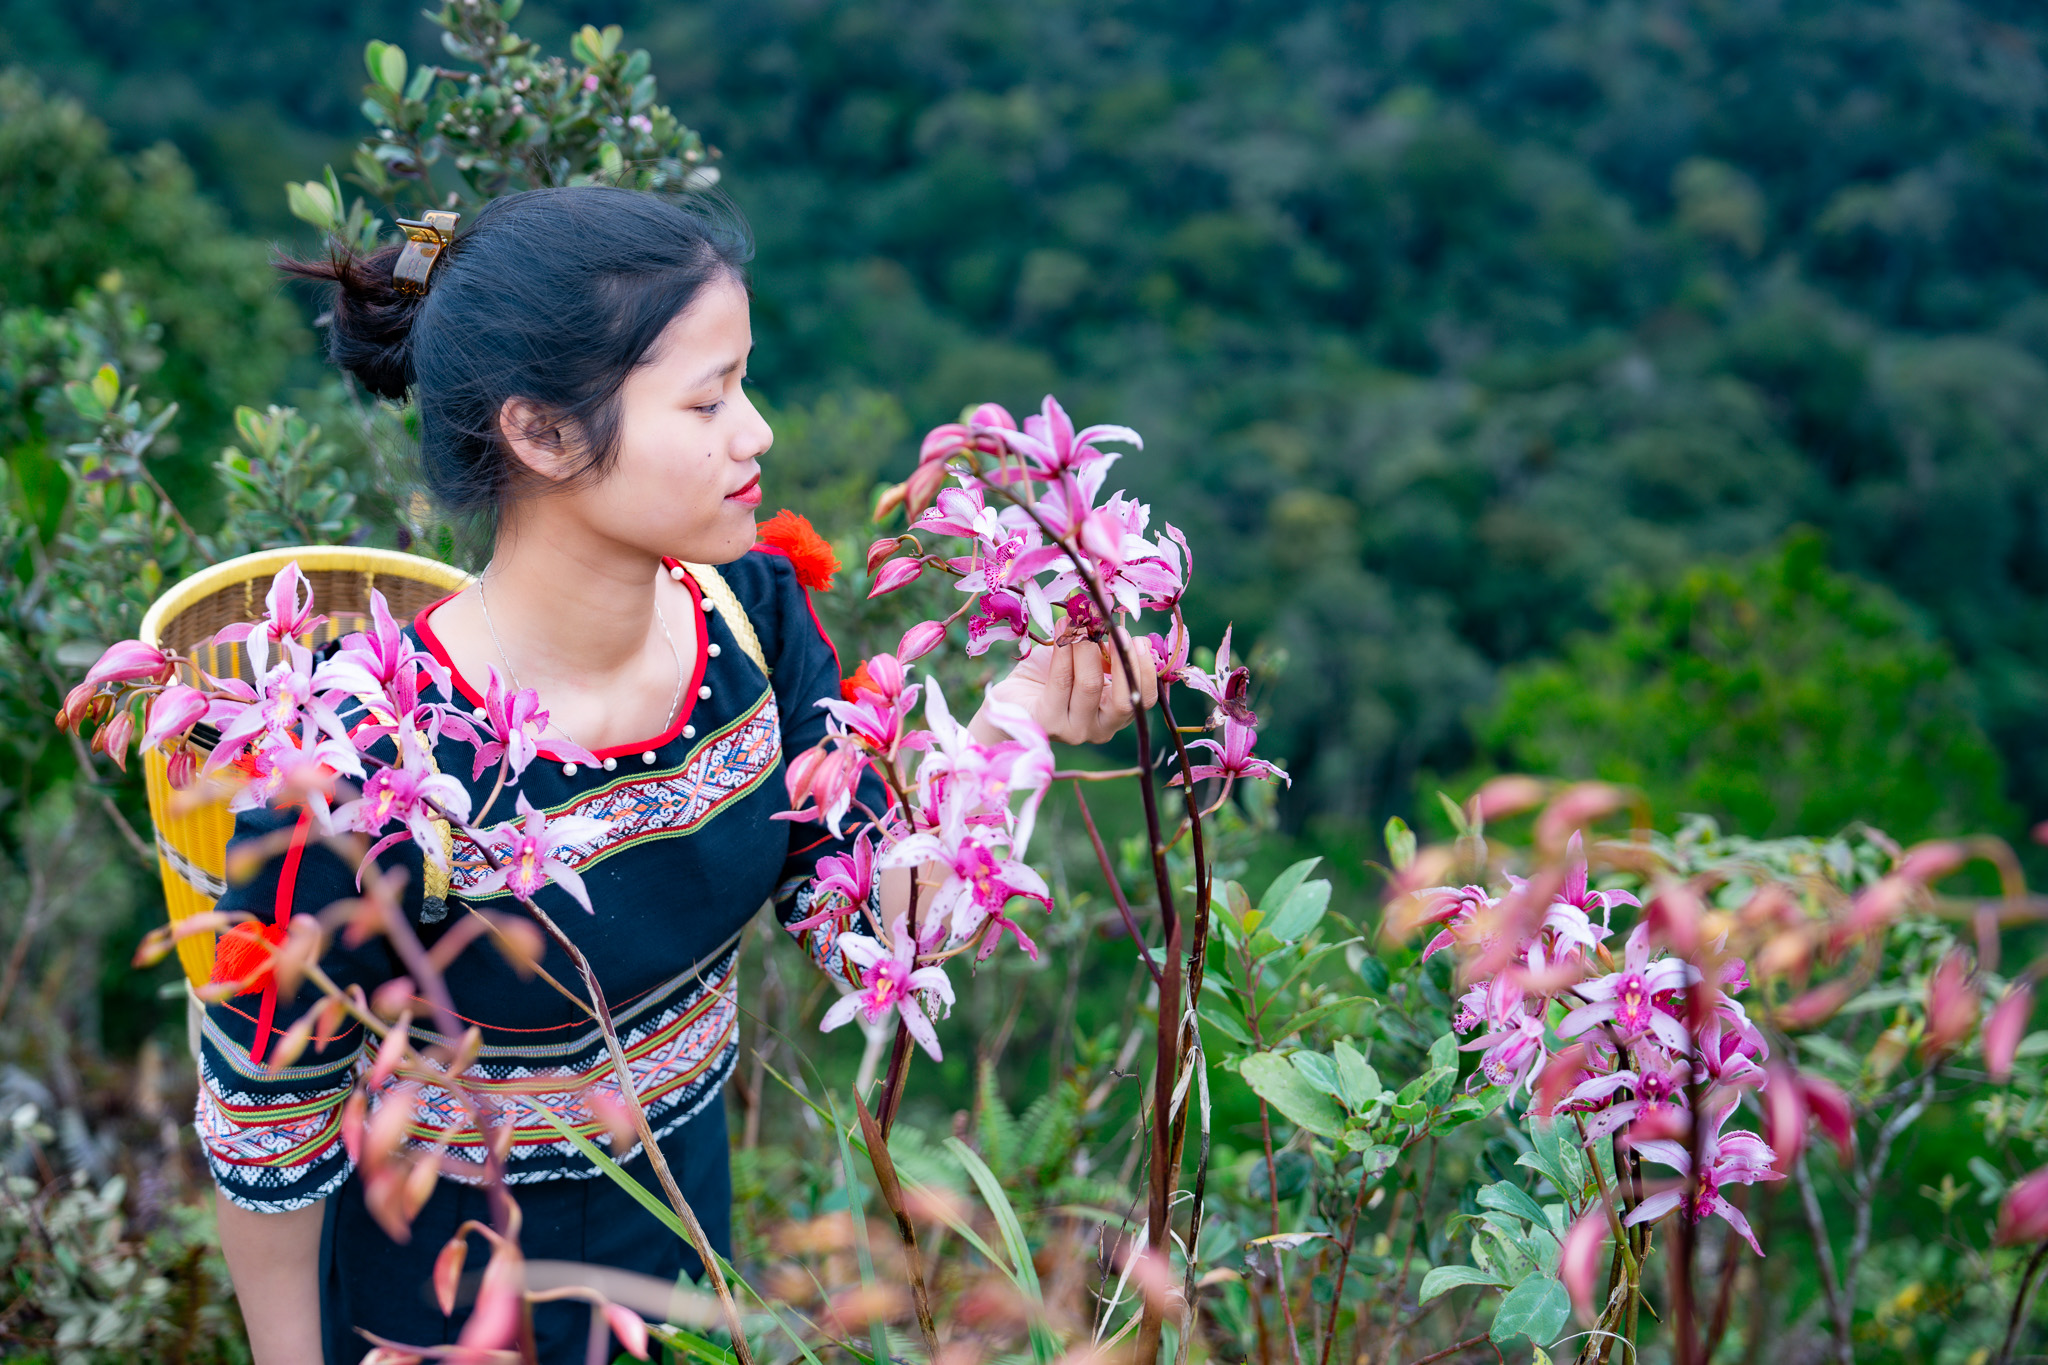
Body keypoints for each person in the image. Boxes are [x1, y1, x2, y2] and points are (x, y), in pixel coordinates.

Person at [199, 185, 1158, 1364]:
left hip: (691, 1294)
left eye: (742, 385)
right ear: (540, 434)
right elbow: (264, 1135)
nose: (753, 433)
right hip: (437, 1325)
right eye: (707, 400)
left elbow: (881, 919)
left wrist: (1020, 720)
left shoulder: (753, 626)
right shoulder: (360, 761)